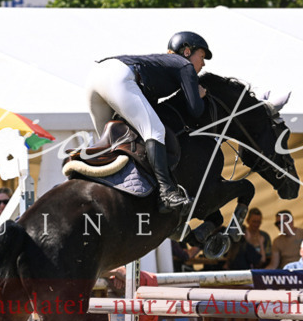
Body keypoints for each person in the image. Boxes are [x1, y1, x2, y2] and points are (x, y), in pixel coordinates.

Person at [86, 31, 212, 211]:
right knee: (154, 132)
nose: (203, 63)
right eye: (201, 56)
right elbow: (196, 110)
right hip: (118, 77)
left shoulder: (160, 66)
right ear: (186, 52)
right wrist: (198, 95)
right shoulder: (185, 66)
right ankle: (167, 192)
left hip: (95, 76)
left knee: (109, 144)